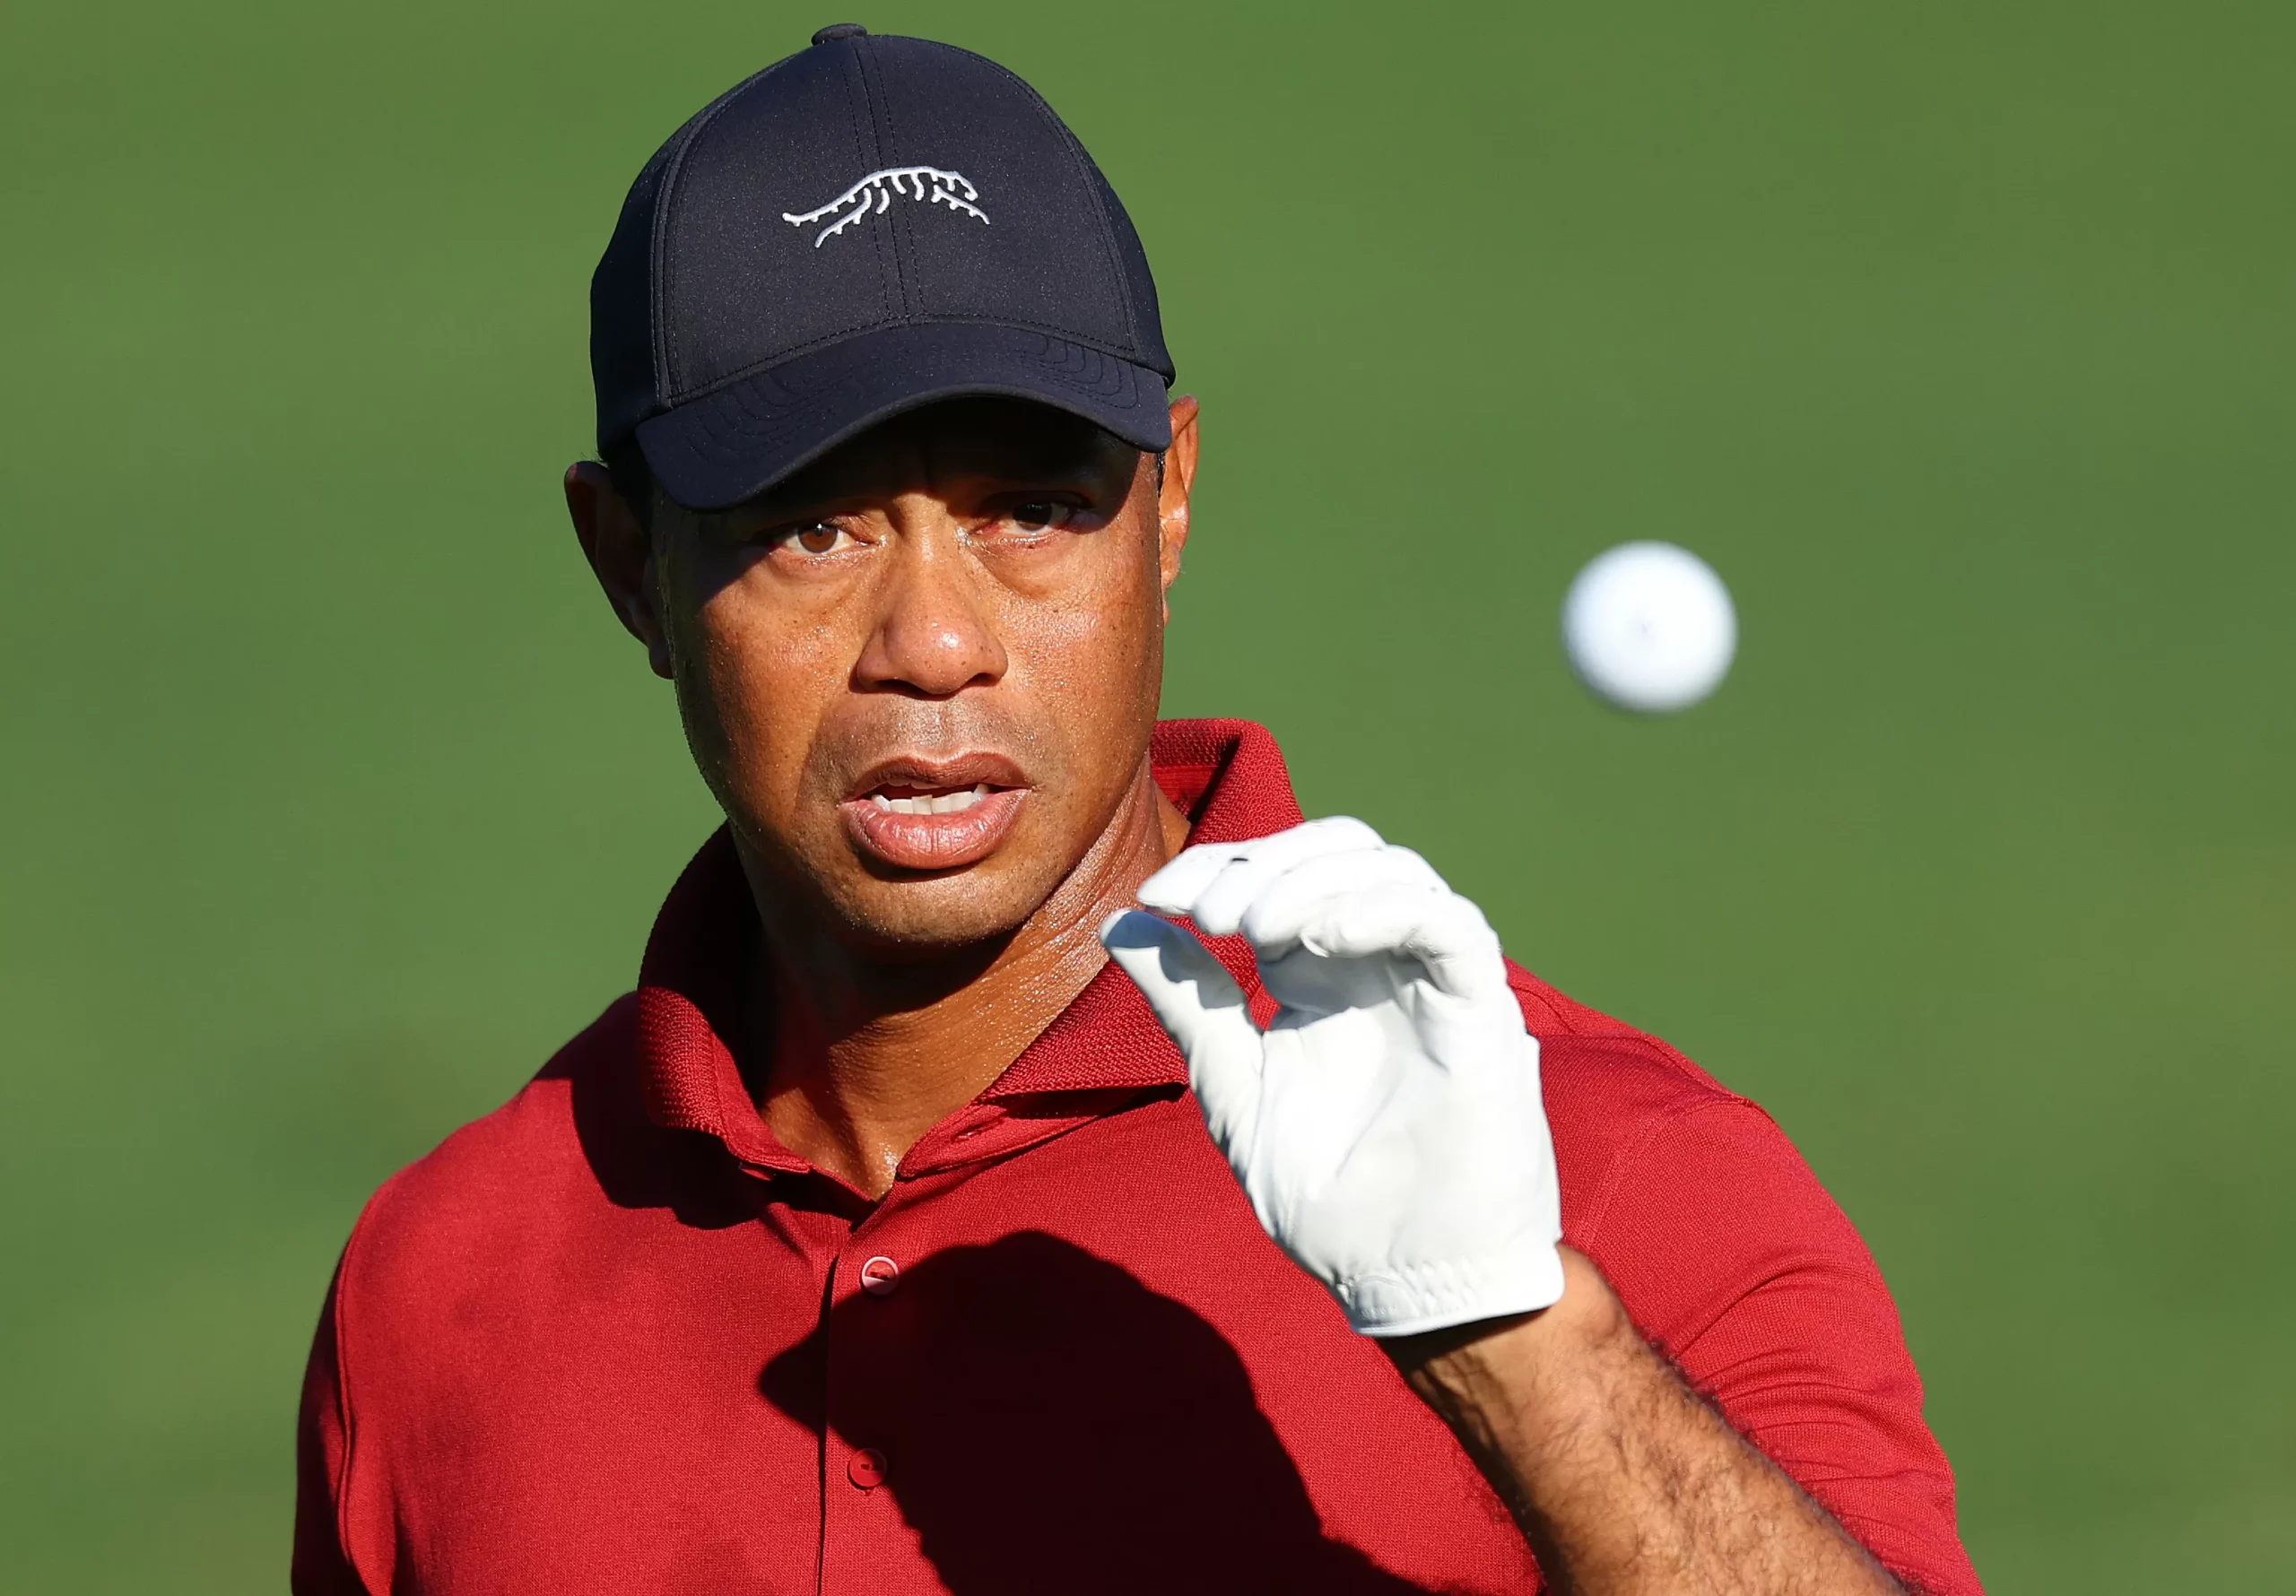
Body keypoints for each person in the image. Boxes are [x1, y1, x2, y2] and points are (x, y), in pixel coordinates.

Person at [293, 25, 1983, 1596]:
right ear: (628, 567)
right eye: (813, 529)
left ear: (1168, 504)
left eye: (1033, 510)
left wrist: (1518, 1354)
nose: (934, 644)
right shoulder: (444, 1281)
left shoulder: (1614, 1181)